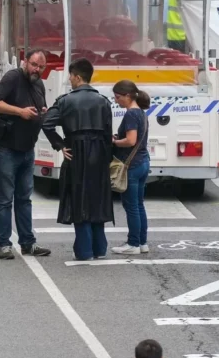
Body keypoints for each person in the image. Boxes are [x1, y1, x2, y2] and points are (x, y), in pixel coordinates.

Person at [41, 58, 115, 261]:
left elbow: (47, 123)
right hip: (99, 153)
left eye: (71, 77)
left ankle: (84, 250)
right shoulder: (104, 102)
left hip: (76, 152)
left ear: (77, 77)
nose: (70, 80)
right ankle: (100, 248)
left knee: (78, 198)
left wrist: (60, 145)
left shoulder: (65, 100)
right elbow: (108, 134)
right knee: (97, 199)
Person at [0, 50, 52, 259]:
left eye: (41, 67)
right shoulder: (13, 77)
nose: (37, 69)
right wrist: (20, 112)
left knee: (24, 198)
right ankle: (4, 244)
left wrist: (43, 112)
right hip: (6, 147)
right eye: (34, 65)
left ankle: (27, 243)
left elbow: (40, 107)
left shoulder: (39, 84)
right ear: (25, 62)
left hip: (27, 148)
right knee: (5, 198)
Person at [110, 80, 151, 255]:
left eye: (118, 97)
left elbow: (131, 140)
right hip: (143, 161)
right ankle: (142, 242)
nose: (116, 101)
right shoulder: (141, 113)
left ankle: (133, 243)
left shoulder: (131, 115)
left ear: (127, 96)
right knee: (139, 205)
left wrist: (114, 142)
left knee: (131, 206)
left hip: (131, 166)